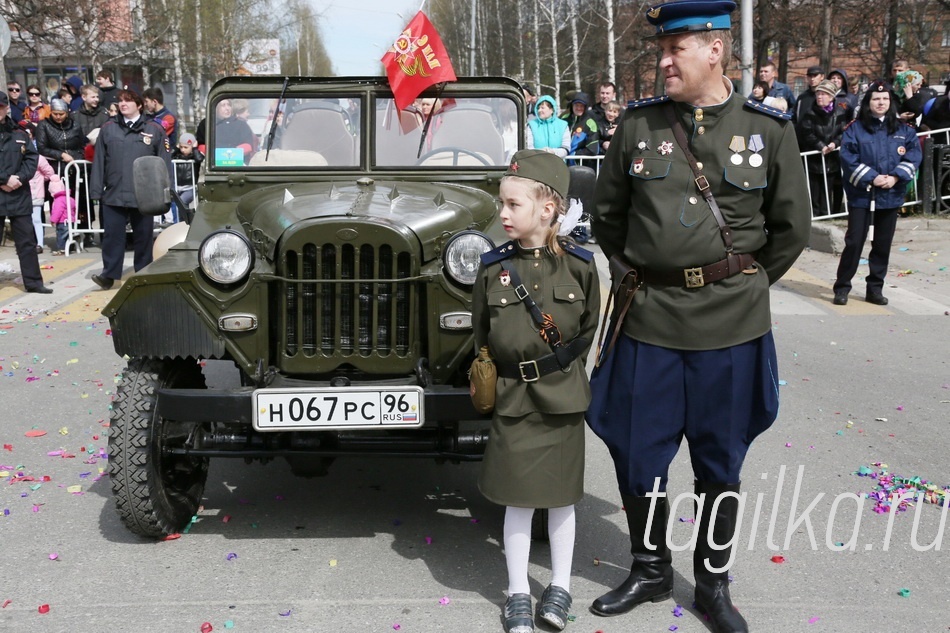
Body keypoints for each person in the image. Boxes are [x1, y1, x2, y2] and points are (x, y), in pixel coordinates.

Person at [588, 2, 810, 632]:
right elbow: (609, 216)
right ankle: (650, 567)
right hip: (649, 322)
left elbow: (791, 230)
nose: (662, 61)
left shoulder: (768, 130)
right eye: (661, 49)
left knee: (720, 462)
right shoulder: (638, 126)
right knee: (637, 456)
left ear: (715, 49)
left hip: (730, 329)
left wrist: (737, 285)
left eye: (675, 49)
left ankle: (712, 583)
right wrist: (640, 274)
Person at [473, 149, 599, 633]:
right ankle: (519, 592)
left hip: (562, 396)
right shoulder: (491, 268)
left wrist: (559, 370)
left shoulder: (582, 268)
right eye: (501, 204)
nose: (502, 213)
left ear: (547, 209)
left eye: (512, 205)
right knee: (516, 499)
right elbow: (481, 333)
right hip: (512, 396)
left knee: (561, 500)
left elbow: (588, 331)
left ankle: (561, 586)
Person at [832, 80, 922, 307]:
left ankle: (874, 289)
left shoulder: (904, 130)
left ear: (890, 102)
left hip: (890, 196)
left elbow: (914, 156)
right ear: (868, 102)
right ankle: (842, 287)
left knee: (882, 245)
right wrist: (872, 177)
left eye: (884, 99)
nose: (880, 102)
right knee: (854, 243)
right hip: (862, 196)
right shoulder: (855, 128)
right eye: (875, 99)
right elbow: (848, 158)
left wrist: (895, 177)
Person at [88, 89, 172, 290]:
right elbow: (99, 162)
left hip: (144, 195)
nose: (122, 104)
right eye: (120, 101)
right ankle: (109, 275)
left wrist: (165, 192)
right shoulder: (108, 128)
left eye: (128, 101)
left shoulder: (154, 129)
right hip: (115, 193)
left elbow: (164, 163)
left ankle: (143, 273)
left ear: (139, 105)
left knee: (143, 237)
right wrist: (96, 192)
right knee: (112, 237)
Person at [0, 91, 50, 293]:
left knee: (26, 242)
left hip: (18, 193)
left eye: (1, 107)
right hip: (3, 187)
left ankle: (33, 282)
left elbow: (31, 159)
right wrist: (4, 179)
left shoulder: (19, 132)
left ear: (6, 108)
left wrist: (19, 178)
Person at [798, 80, 851, 217]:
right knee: (814, 188)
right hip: (814, 158)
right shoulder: (809, 113)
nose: (820, 97)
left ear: (831, 97)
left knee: (828, 188)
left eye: (824, 94)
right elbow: (806, 132)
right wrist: (820, 146)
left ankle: (827, 213)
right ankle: (816, 214)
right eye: (818, 94)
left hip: (832, 158)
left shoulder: (839, 113)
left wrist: (835, 143)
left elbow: (844, 132)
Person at [560, 92, 600, 166]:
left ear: (585, 107)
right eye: (576, 105)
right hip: (561, 163)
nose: (579, 108)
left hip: (580, 166)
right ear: (572, 105)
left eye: (581, 106)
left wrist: (574, 155)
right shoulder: (563, 119)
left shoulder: (590, 123)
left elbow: (593, 149)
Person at [213, 98, 256, 165]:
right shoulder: (211, 125)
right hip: (216, 165)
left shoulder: (241, 124)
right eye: (223, 105)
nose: (227, 108)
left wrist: (232, 153)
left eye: (229, 105)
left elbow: (248, 146)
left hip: (239, 164)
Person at [47, 178, 75, 255]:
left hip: (62, 221)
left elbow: (57, 211)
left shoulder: (58, 200)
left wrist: (53, 220)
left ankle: (62, 249)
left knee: (61, 235)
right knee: (69, 235)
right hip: (70, 220)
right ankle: (70, 248)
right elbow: (74, 208)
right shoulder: (70, 198)